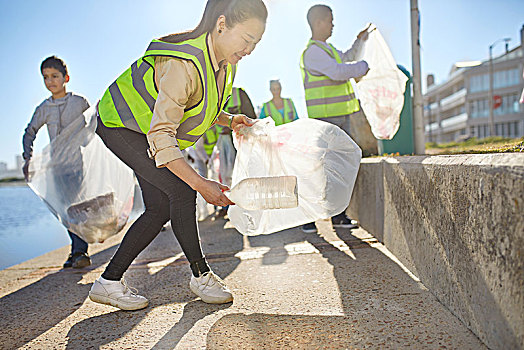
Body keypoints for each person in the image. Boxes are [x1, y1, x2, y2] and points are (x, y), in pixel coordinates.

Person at [89, 0, 267, 310]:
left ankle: (109, 282)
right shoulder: (183, 63)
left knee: (159, 207)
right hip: (120, 123)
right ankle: (201, 275)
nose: (250, 50)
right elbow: (161, 135)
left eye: (257, 43)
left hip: (144, 128)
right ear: (221, 24)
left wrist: (229, 119)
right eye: (247, 39)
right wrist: (201, 184)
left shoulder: (226, 62)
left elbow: (200, 106)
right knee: (183, 190)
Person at [300, 4, 370, 233]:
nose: (333, 25)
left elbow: (346, 58)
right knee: (326, 169)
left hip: (338, 118)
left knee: (337, 168)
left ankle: (338, 216)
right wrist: (363, 67)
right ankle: (310, 216)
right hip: (327, 120)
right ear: (319, 22)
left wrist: (360, 42)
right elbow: (339, 71)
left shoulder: (326, 50)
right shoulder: (313, 53)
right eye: (330, 20)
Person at [22, 56, 92, 269]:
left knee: (74, 208)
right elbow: (30, 131)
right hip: (56, 168)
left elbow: (92, 131)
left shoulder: (79, 102)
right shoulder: (44, 108)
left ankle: (80, 252)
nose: (50, 81)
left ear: (66, 78)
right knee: (63, 210)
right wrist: (28, 158)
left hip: (76, 166)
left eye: (54, 76)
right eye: (45, 77)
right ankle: (76, 251)